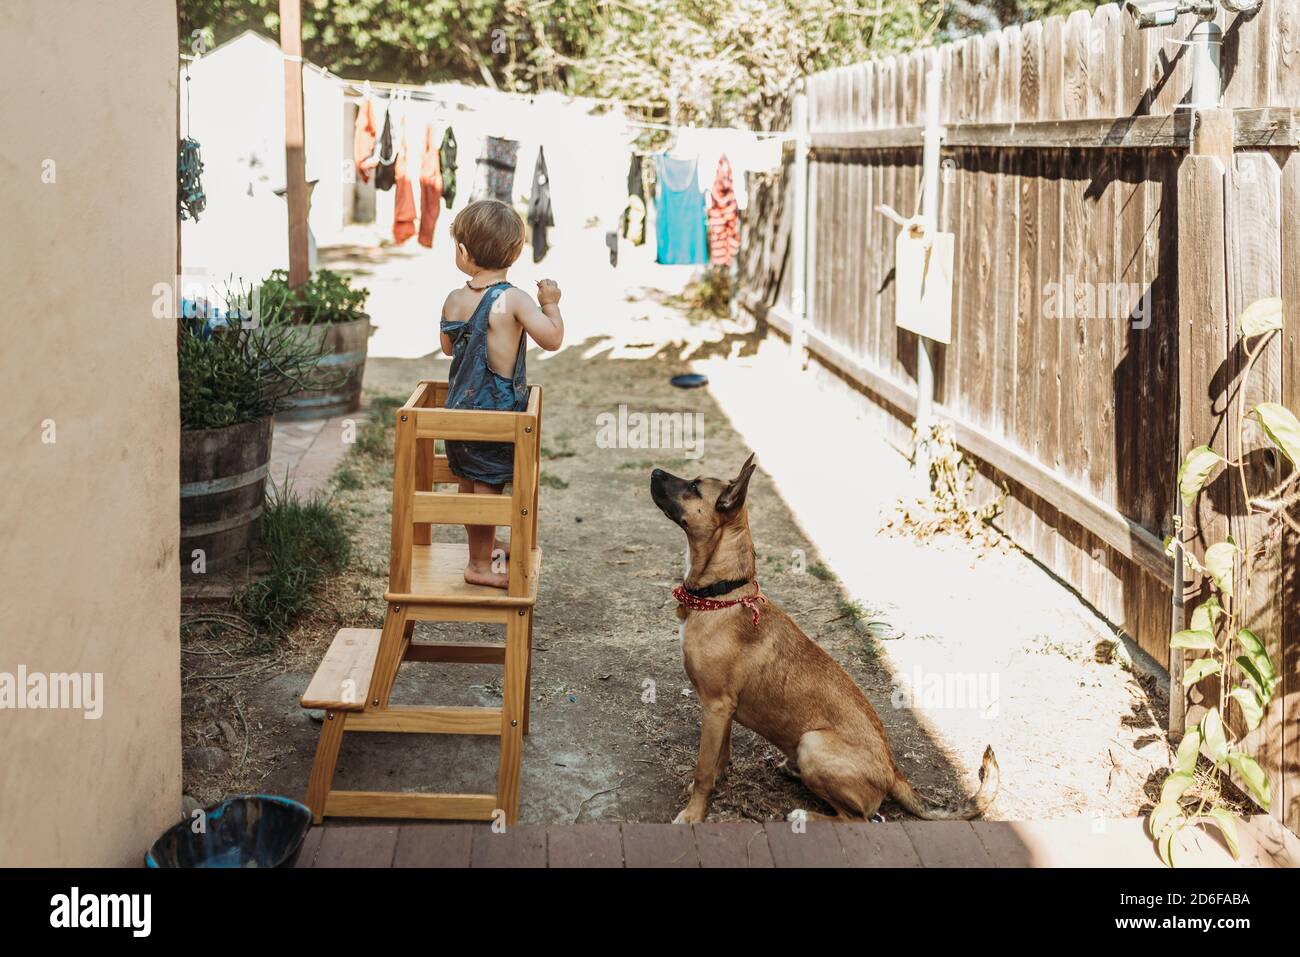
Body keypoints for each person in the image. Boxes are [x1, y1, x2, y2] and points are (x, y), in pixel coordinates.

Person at [439, 199, 564, 587]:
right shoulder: (514, 300)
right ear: (515, 252)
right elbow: (553, 338)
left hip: (457, 413)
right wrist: (551, 305)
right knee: (487, 489)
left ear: (462, 252)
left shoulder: (455, 299)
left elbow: (447, 347)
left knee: (468, 483)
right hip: (494, 418)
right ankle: (479, 565)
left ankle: (485, 545)